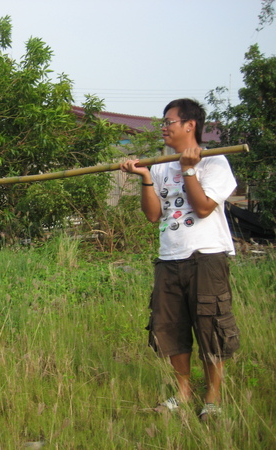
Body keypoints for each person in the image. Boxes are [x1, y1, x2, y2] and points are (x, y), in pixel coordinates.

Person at [120, 98, 241, 421]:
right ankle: (183, 392)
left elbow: (202, 208)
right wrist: (145, 176)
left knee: (211, 325)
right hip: (169, 256)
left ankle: (212, 397)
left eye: (169, 121)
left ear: (190, 125)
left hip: (206, 255)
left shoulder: (215, 164)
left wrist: (189, 169)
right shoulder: (161, 166)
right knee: (170, 326)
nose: (164, 127)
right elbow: (153, 215)